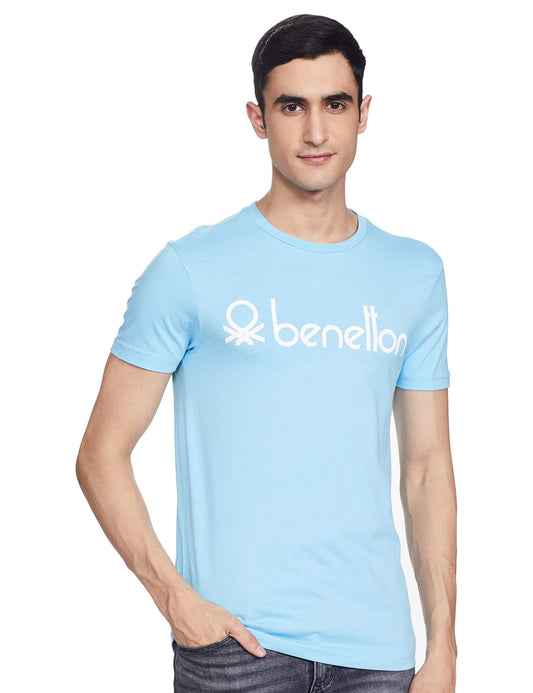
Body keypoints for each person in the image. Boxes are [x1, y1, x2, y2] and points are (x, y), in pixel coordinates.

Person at [76, 13, 457, 693]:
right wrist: (175, 599)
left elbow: (426, 466)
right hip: (235, 648)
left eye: (334, 104)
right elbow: (100, 453)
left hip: (380, 653)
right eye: (291, 106)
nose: (315, 132)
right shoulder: (190, 269)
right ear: (257, 118)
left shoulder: (414, 274)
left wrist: (444, 645)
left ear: (363, 112)